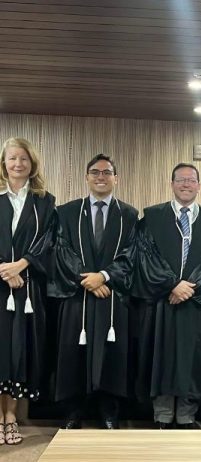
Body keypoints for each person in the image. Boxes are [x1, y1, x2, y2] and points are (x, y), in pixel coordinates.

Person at [48, 154, 138, 429]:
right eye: (95, 172)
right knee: (73, 354)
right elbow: (61, 249)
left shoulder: (129, 215)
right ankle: (73, 412)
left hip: (111, 296)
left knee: (111, 355)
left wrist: (104, 276)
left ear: (116, 178)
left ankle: (109, 412)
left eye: (107, 172)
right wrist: (87, 278)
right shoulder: (67, 212)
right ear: (86, 177)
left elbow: (131, 254)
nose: (101, 177)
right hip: (78, 295)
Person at [133, 163, 201, 429]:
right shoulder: (152, 217)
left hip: (195, 301)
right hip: (162, 301)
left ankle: (186, 416)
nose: (186, 184)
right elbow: (145, 255)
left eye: (191, 180)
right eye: (181, 179)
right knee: (160, 357)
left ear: (199, 185)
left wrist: (189, 287)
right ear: (172, 184)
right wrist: (172, 284)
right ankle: (162, 415)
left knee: (191, 359)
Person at [0, 138, 55, 445]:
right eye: (12, 158)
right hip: (0, 284)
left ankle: (12, 417)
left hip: (28, 286)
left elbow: (48, 240)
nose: (18, 164)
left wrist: (21, 265)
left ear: (32, 163)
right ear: (3, 163)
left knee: (19, 351)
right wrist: (4, 270)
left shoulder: (44, 201)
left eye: (23, 158)